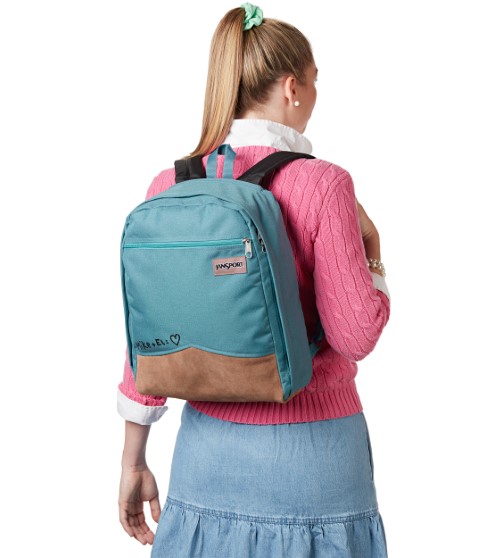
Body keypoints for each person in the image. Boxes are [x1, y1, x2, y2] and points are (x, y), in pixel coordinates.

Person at [117, 4, 391, 557]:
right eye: (315, 82)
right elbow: (356, 333)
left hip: (205, 461)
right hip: (314, 463)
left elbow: (148, 342)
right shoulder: (323, 184)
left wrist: (133, 460)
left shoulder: (169, 186)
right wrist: (374, 254)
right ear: (292, 88)